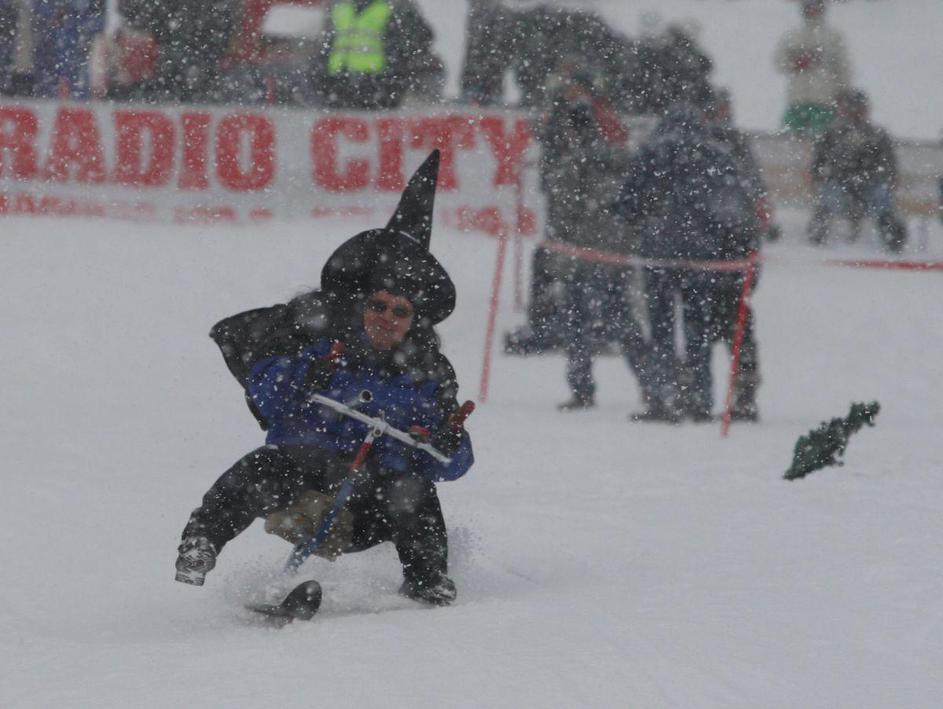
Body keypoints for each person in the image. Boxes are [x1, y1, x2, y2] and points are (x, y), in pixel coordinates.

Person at [175, 151, 474, 607]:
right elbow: (266, 395)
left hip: (368, 504)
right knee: (260, 467)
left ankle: (427, 579)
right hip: (299, 487)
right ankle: (200, 543)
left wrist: (448, 442)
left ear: (414, 322)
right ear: (361, 304)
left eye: (400, 312)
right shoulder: (315, 342)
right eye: (378, 305)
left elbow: (451, 464)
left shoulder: (428, 375)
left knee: (413, 491)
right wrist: (303, 376)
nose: (386, 318)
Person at [615, 104, 758, 423]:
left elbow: (626, 204)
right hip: (703, 256)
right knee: (698, 328)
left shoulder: (651, 153)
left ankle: (663, 395)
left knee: (661, 327)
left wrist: (645, 223)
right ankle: (699, 396)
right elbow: (734, 209)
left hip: (659, 253)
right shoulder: (718, 156)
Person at [527, 67, 648, 411]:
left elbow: (562, 215)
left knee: (577, 321)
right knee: (622, 319)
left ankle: (582, 388)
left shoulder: (571, 165)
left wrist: (560, 248)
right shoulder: (621, 158)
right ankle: (651, 384)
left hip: (581, 253)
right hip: (615, 253)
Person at [704, 89, 765, 421]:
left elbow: (754, 194)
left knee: (732, 323)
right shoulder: (724, 146)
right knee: (736, 324)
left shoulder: (726, 146)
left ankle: (736, 391)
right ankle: (741, 390)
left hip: (724, 246)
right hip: (724, 246)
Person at [807, 89, 906, 252]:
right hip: (839, 180)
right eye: (851, 108)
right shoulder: (832, 133)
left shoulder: (877, 134)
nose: (855, 112)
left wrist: (890, 177)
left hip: (870, 182)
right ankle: (817, 235)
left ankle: (892, 238)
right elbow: (819, 157)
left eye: (859, 108)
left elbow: (889, 161)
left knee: (882, 199)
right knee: (827, 199)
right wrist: (814, 175)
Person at [311, 0, 443, 109]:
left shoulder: (396, 5)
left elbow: (420, 39)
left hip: (381, 86)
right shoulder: (339, 5)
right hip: (339, 85)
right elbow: (326, 46)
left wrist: (395, 73)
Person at [774, 0, 851, 137]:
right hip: (797, 101)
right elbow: (779, 62)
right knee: (790, 141)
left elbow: (843, 68)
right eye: (809, 6)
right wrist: (796, 62)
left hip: (825, 102)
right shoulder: (793, 36)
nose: (813, 10)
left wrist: (844, 94)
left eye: (816, 5)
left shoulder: (833, 37)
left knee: (823, 142)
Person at [31, 0, 106, 99]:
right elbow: (38, 11)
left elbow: (99, 17)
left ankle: (78, 100)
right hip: (52, 42)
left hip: (76, 40)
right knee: (50, 77)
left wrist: (86, 27)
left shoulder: (80, 16)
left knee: (78, 74)